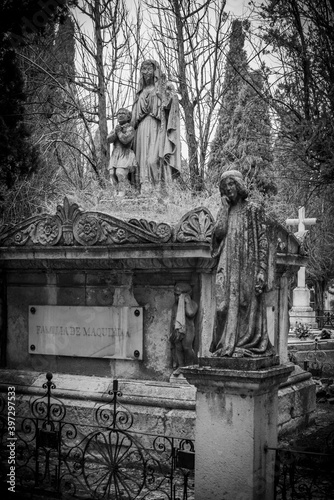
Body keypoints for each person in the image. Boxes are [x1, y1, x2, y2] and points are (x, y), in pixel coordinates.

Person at [210, 170, 275, 358]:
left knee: (246, 304)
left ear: (238, 185)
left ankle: (243, 344)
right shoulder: (225, 210)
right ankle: (223, 344)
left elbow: (263, 240)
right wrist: (223, 209)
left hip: (248, 263)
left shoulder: (253, 209)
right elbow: (219, 234)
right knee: (222, 306)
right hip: (227, 263)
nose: (228, 189)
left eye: (231, 184)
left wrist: (261, 270)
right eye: (224, 186)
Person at [131, 59, 181, 193]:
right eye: (143, 69)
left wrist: (172, 96)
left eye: (148, 69)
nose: (146, 72)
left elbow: (168, 107)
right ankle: (143, 188)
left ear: (155, 71)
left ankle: (158, 189)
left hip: (156, 128)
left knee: (153, 160)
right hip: (140, 131)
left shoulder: (160, 90)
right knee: (140, 162)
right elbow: (133, 117)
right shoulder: (139, 94)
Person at [107, 108, 138, 196]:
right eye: (118, 113)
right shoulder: (116, 128)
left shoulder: (130, 129)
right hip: (115, 153)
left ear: (128, 117)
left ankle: (123, 193)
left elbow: (125, 140)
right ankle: (116, 192)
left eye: (123, 113)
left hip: (125, 153)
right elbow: (108, 139)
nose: (120, 115)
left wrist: (119, 132)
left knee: (120, 173)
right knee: (112, 174)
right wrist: (115, 132)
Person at [170, 282, 198, 372]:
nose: (176, 297)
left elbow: (190, 313)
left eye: (178, 295)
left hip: (188, 329)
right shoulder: (175, 306)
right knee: (178, 348)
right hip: (178, 330)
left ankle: (189, 366)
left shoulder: (193, 304)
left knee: (187, 347)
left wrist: (187, 301)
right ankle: (181, 366)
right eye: (175, 295)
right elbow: (173, 319)